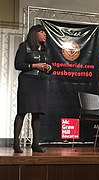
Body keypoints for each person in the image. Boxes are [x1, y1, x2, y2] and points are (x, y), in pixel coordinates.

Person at [13, 24, 52, 153]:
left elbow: (51, 66)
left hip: (41, 83)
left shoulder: (45, 49)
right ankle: (16, 143)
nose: (44, 34)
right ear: (35, 33)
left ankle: (36, 144)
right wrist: (35, 65)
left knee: (37, 114)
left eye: (45, 32)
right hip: (27, 82)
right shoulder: (24, 47)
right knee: (22, 112)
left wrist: (48, 68)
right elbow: (18, 65)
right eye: (42, 32)